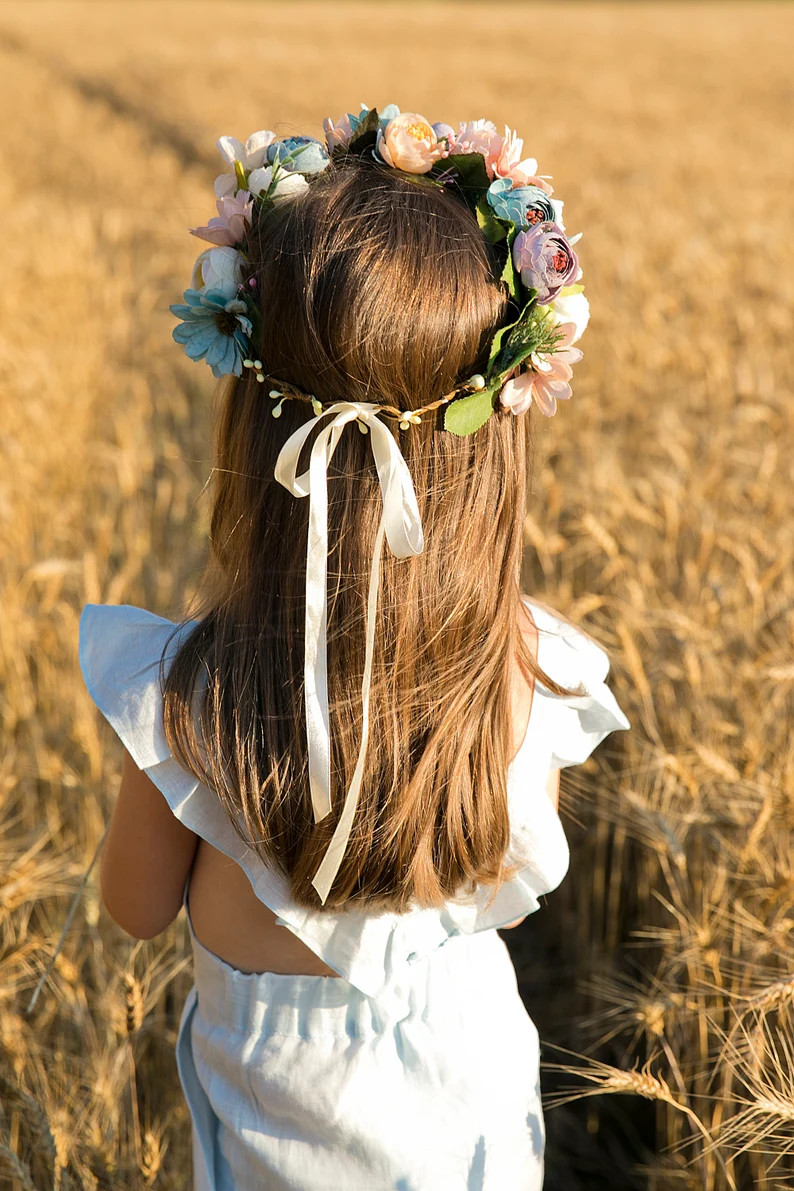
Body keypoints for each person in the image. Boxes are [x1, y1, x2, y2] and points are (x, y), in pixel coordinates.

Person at [78, 105, 630, 1191]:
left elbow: (133, 910)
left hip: (268, 1145)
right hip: (476, 1128)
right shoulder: (532, 674)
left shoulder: (186, 697)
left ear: (255, 422)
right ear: (491, 443)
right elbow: (509, 879)